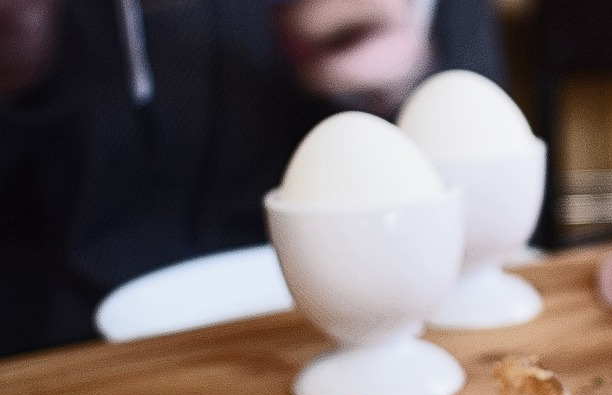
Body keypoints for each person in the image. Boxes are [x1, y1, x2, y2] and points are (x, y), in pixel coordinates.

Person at [0, 0, 507, 357]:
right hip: (66, 337)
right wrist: (19, 76)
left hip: (345, 318)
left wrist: (394, 80)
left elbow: (486, 181)